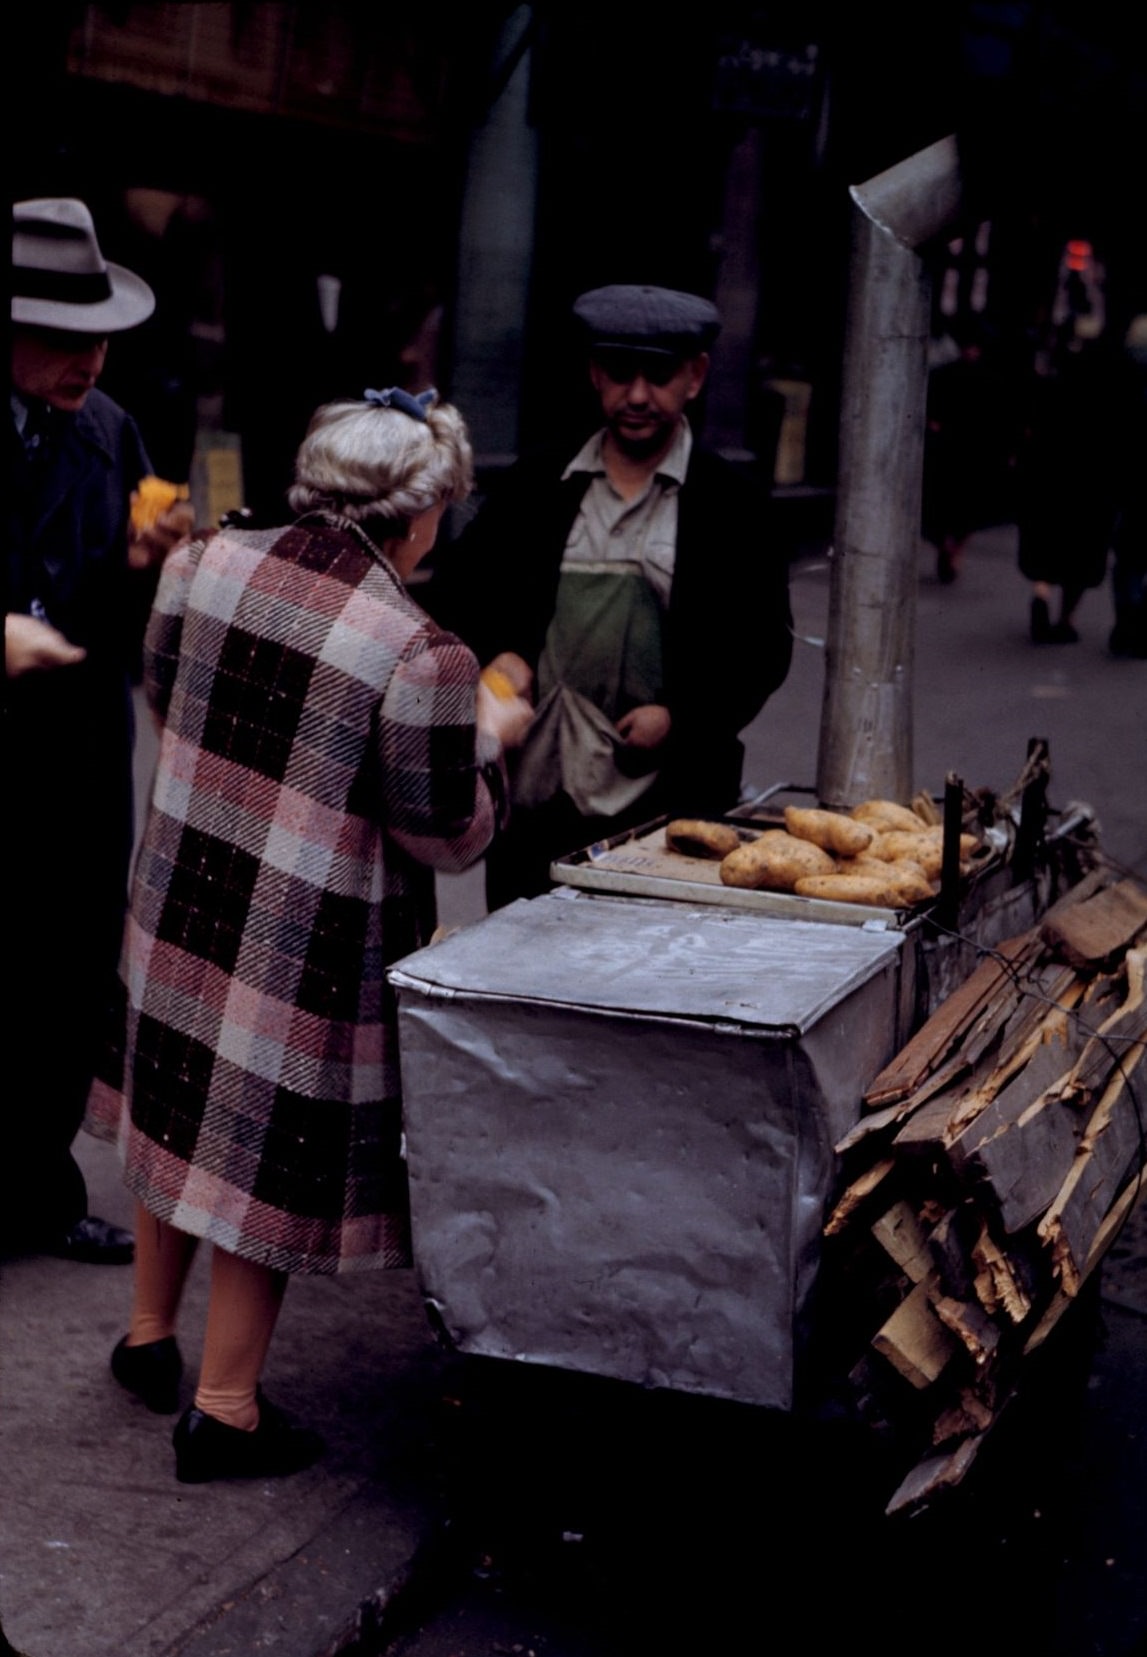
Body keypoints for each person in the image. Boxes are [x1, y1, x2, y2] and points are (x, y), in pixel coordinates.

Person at [86, 388, 532, 1483]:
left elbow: (162, 696)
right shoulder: (420, 651)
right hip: (300, 936)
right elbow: (442, 836)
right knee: (249, 1151)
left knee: (177, 1103)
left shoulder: (200, 564)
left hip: (184, 885)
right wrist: (491, 741)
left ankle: (148, 1338)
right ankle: (224, 1411)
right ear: (419, 517)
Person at [427, 283, 793, 908]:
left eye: (660, 375)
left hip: (668, 810)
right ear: (595, 373)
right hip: (538, 799)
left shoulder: (732, 505)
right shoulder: (536, 483)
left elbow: (763, 648)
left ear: (696, 377)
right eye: (621, 373)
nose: (638, 396)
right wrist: (501, 660)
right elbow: (462, 597)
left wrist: (683, 719)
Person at [6, 197, 194, 1264]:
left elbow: (125, 611)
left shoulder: (110, 429)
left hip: (76, 744)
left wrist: (147, 566)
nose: (91, 359)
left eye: (101, 335)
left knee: (68, 966)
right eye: (64, 338)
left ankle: (34, 1188)